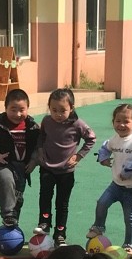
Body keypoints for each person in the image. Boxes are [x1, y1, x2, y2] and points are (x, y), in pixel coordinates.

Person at [31, 88, 96, 246]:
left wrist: (78, 156)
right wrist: (40, 150)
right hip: (47, 167)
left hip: (66, 171)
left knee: (62, 203)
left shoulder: (77, 124)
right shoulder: (47, 121)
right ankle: (44, 223)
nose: (58, 114)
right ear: (49, 107)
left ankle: (60, 234)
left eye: (62, 110)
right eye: (54, 110)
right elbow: (41, 136)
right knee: (45, 196)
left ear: (71, 108)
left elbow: (91, 139)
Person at [84, 103, 132, 257]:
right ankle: (98, 226)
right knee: (102, 203)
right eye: (118, 121)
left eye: (126, 121)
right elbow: (105, 148)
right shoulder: (114, 139)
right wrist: (103, 158)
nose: (121, 125)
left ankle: (129, 244)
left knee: (129, 217)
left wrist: (129, 171)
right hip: (115, 185)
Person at [0, 88, 41, 229]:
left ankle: (12, 225)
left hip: (22, 168)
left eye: (22, 110)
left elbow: (39, 146)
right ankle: (8, 214)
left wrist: (34, 161)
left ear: (28, 108)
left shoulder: (32, 127)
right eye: (13, 109)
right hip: (1, 165)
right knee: (6, 180)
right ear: (5, 108)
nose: (17, 114)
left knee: (17, 197)